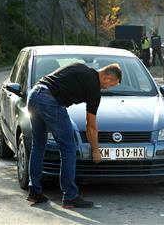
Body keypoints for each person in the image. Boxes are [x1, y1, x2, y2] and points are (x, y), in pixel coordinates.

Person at [26, 62, 122, 208]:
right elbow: (91, 126)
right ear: (107, 76)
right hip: (51, 101)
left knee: (38, 144)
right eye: (112, 84)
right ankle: (70, 196)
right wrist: (96, 150)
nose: (109, 87)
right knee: (69, 148)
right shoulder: (94, 89)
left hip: (34, 95)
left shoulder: (81, 67)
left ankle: (34, 191)